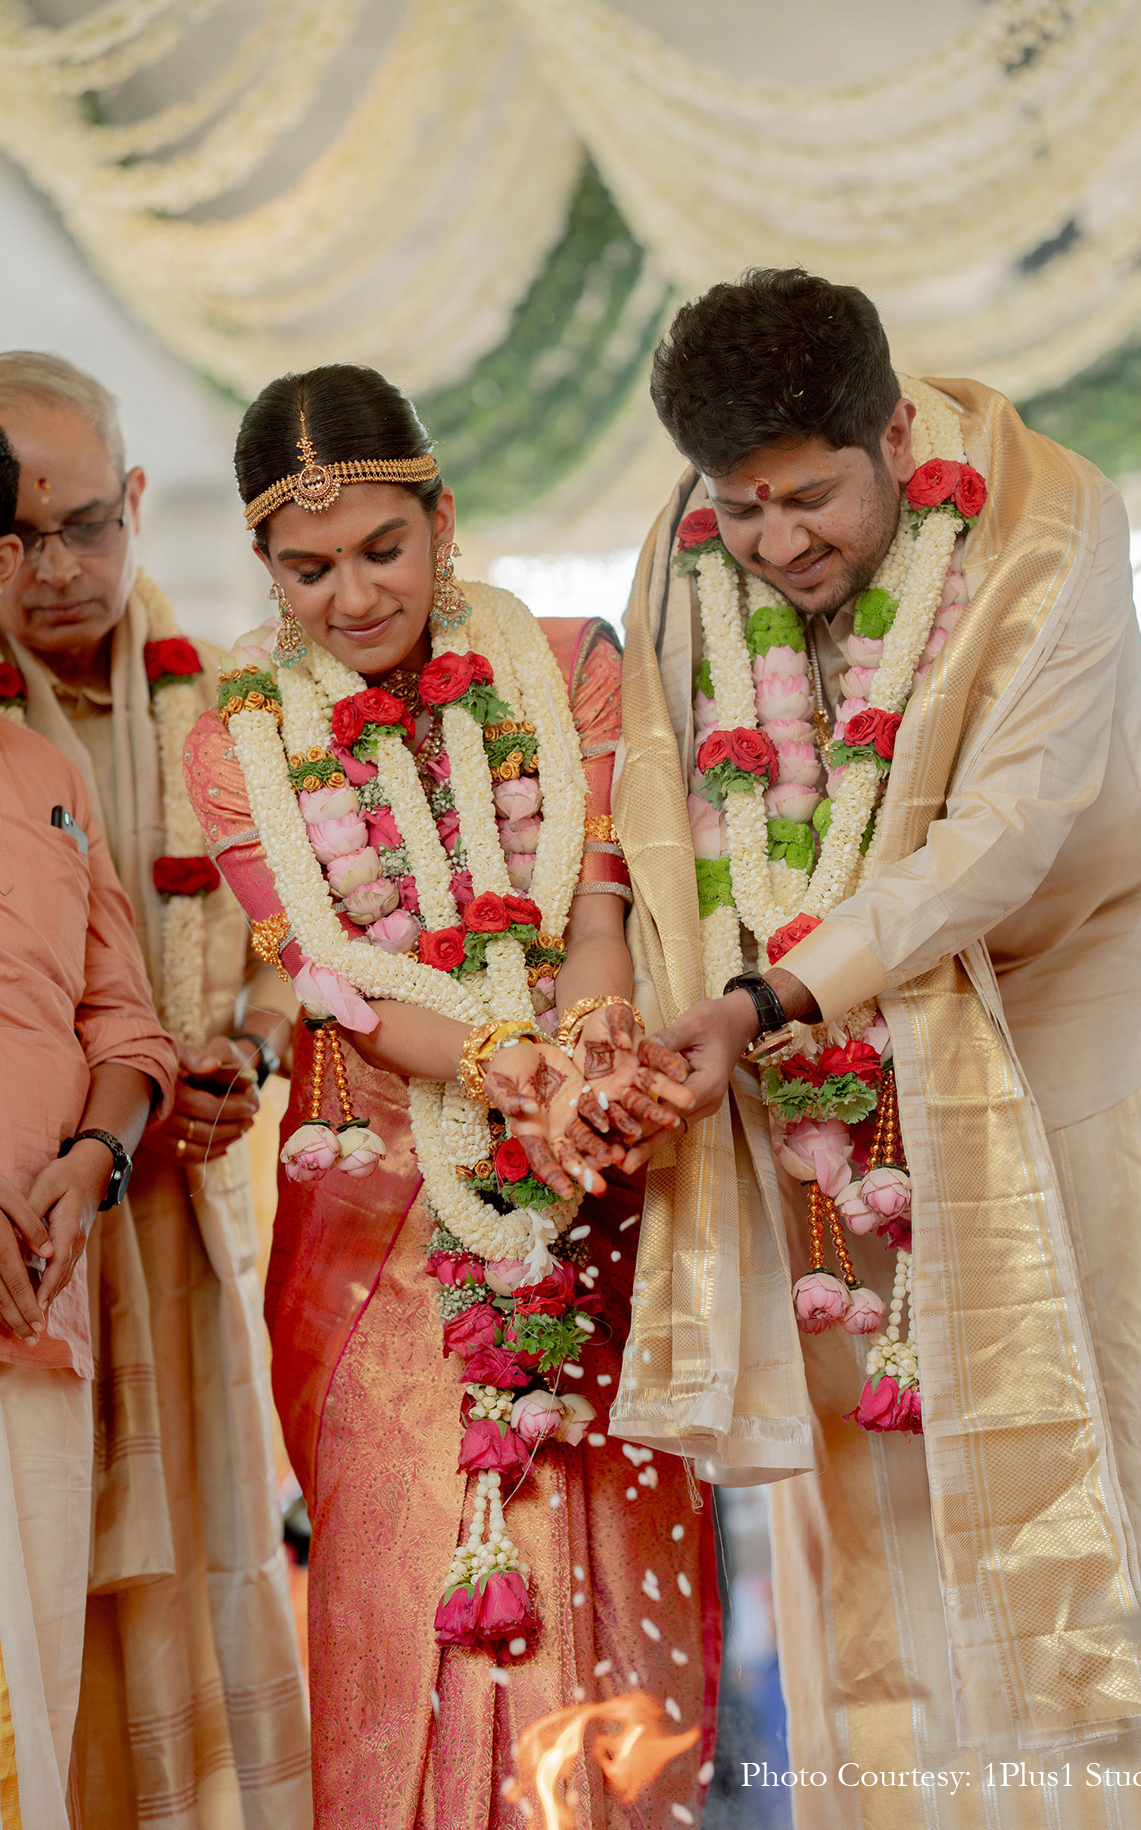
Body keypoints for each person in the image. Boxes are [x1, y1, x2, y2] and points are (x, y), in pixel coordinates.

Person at [610, 268, 1141, 1825]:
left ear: (891, 427)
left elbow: (1002, 841)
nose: (777, 543)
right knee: (867, 1460)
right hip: (817, 1037)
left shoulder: (1049, 522)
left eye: (810, 498)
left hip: (1053, 981)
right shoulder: (687, 561)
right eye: (741, 509)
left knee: (1067, 1411)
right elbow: (666, 815)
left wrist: (765, 997)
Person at [181, 363, 720, 1827]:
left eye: (381, 550)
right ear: (262, 565)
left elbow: (597, 886)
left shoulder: (565, 666)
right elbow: (335, 978)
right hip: (380, 1213)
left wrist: (589, 1045)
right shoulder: (235, 741)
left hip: (574, 1176)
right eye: (308, 567)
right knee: (397, 1561)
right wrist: (504, 1067)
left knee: (590, 1549)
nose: (352, 595)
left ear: (443, 521)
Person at [0, 354, 310, 1828]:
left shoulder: (228, 709)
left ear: (135, 503)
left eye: (85, 526)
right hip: (30, 1217)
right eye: (19, 533)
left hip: (167, 1206)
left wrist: (238, 1060)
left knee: (191, 1546)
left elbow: (283, 945)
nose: (58, 569)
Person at [0, 419, 178, 1828]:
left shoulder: (42, 778)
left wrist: (94, 1154)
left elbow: (128, 1026)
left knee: (28, 1731)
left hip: (43, 1308)